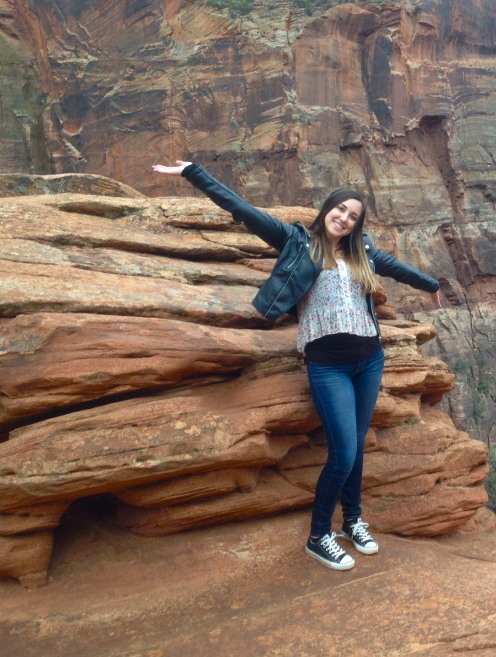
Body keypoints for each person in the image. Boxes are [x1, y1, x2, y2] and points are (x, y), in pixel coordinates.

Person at [152, 160, 442, 571]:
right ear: (327, 210)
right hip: (328, 366)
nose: (344, 218)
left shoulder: (364, 253)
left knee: (356, 447)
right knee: (342, 453)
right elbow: (243, 210)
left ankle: (353, 520)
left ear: (358, 225)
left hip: (370, 360)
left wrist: (433, 285)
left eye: (353, 216)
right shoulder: (296, 242)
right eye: (340, 209)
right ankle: (319, 535)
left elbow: (398, 267)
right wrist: (193, 172)